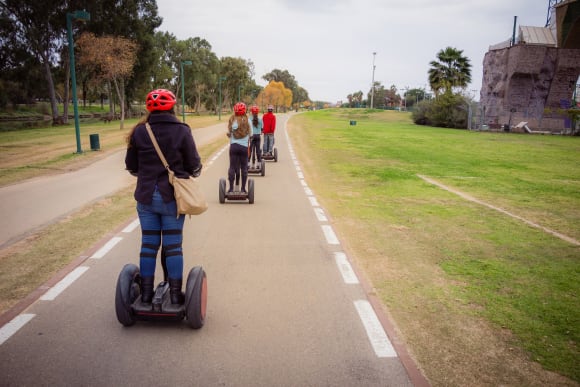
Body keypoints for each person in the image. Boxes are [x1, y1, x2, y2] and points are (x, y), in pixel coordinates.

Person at [125, 88, 202, 305]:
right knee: (173, 245)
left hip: (146, 197)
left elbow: (131, 166)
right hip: (171, 198)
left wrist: (148, 172)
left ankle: (147, 294)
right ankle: (176, 296)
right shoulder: (182, 130)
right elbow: (194, 165)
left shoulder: (139, 131)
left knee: (149, 244)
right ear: (173, 106)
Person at [227, 102, 250, 192]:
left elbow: (229, 132)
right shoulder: (248, 121)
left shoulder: (232, 120)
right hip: (244, 147)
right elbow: (251, 134)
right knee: (244, 168)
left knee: (232, 167)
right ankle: (243, 189)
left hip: (234, 147)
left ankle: (231, 189)